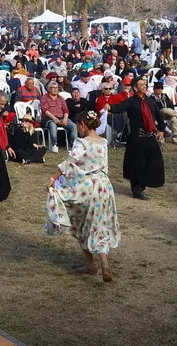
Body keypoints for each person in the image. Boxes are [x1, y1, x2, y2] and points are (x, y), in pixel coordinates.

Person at [44, 111, 120, 281]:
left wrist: (53, 178)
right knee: (99, 224)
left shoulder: (82, 143)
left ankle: (91, 264)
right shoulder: (103, 142)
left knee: (77, 222)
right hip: (104, 186)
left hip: (87, 187)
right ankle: (104, 264)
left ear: (82, 125)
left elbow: (71, 161)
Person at [109, 77, 165, 200]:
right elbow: (119, 108)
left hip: (150, 137)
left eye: (145, 84)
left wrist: (161, 130)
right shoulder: (131, 102)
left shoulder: (150, 101)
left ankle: (143, 185)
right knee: (137, 164)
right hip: (137, 138)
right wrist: (109, 107)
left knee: (152, 162)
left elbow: (159, 115)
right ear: (135, 88)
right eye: (141, 84)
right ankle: (137, 189)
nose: (144, 86)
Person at [40, 81, 77, 153]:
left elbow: (66, 110)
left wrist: (65, 119)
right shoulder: (44, 98)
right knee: (52, 125)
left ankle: (74, 146)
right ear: (48, 89)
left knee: (73, 125)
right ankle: (54, 145)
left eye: (56, 88)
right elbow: (45, 110)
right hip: (49, 118)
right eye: (53, 88)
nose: (55, 89)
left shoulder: (61, 98)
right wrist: (54, 118)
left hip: (61, 117)